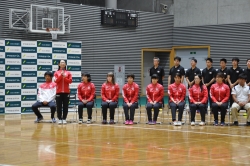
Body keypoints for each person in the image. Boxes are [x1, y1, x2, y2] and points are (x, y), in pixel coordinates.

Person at [54, 60, 72, 124]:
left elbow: (70, 81)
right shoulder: (56, 72)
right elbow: (56, 81)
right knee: (58, 106)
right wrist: (60, 76)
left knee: (65, 106)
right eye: (61, 62)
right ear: (59, 64)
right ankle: (59, 118)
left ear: (65, 64)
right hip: (58, 92)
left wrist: (64, 77)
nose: (62, 63)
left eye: (64, 62)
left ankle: (64, 118)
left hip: (66, 92)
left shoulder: (68, 72)